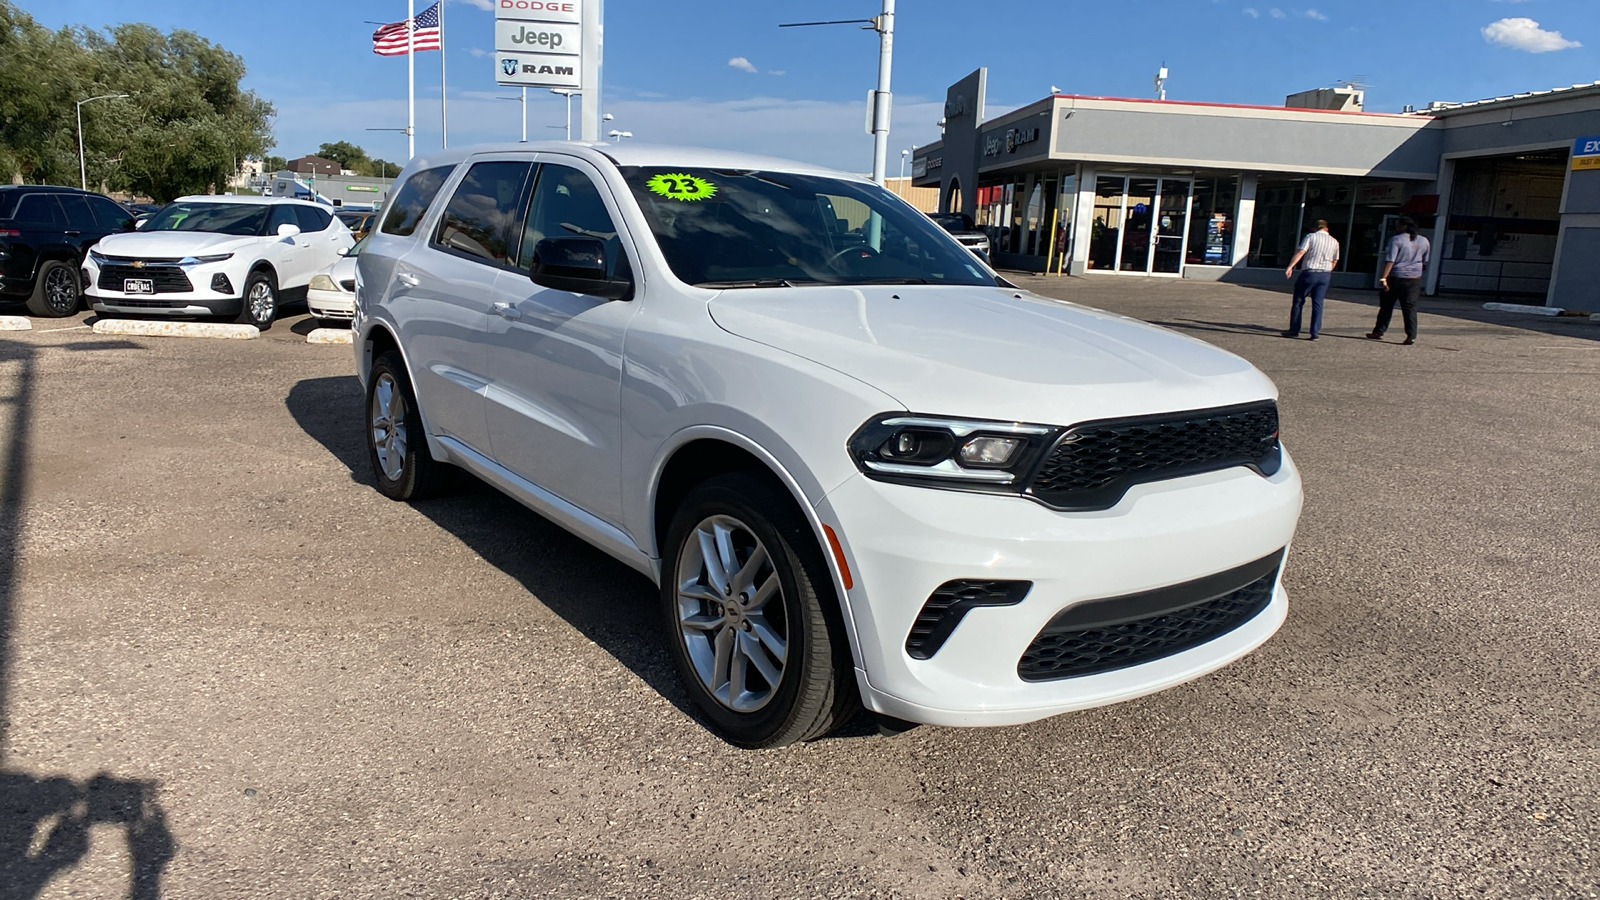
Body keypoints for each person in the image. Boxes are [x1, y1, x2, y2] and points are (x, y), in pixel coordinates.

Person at [1368, 216, 1431, 345]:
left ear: (1403, 226)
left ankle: (1379, 331)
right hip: (1414, 279)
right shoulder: (1424, 241)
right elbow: (1425, 260)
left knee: (1387, 305)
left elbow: (1391, 260)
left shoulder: (1396, 240)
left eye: (1397, 225)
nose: (1396, 228)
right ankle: (1411, 335)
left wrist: (1383, 277)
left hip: (1396, 277)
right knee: (1409, 307)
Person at [1282, 219, 1339, 341]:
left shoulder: (1311, 237)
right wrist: (1328, 271)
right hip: (1325, 274)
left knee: (1298, 300)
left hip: (1310, 272)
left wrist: (1290, 266)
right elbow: (1334, 260)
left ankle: (1294, 329)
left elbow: (1301, 252)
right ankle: (1315, 332)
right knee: (1318, 303)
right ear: (1326, 229)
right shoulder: (1334, 241)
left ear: (1314, 228)